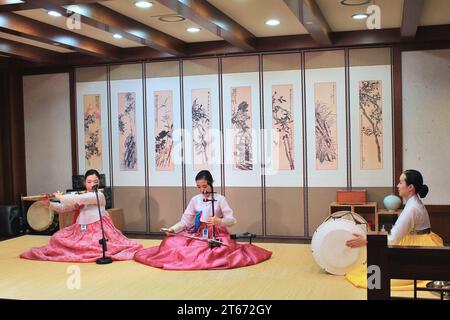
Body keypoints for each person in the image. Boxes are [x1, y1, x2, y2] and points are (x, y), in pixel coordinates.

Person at [134, 170, 272, 270]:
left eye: (205, 186)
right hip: (198, 233)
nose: (202, 190)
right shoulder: (195, 200)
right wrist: (173, 229)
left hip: (217, 234)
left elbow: (232, 220)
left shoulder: (220, 199)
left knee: (215, 251)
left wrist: (220, 221)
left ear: (211, 183)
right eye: (199, 187)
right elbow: (185, 221)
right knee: (170, 243)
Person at [345, 169, 443, 289]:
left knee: (373, 276)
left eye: (401, 182)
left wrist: (366, 241)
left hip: (417, 247)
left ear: (410, 187)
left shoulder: (411, 209)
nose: (398, 185)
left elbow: (393, 240)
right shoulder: (415, 202)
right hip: (425, 242)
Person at [20, 169, 143, 262]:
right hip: (80, 230)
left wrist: (61, 197)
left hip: (97, 231)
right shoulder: (81, 197)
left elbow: (78, 199)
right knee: (56, 238)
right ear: (84, 183)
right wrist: (49, 203)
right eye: (89, 182)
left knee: (96, 247)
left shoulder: (98, 195)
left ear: (99, 183)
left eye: (95, 181)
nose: (92, 184)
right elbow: (63, 208)